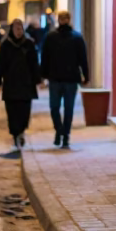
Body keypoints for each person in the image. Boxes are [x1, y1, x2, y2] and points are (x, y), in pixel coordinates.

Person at [39, 10, 89, 148]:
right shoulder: (51, 37)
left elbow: (83, 59)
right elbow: (45, 58)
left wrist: (86, 75)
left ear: (69, 19)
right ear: (58, 20)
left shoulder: (77, 38)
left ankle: (65, 135)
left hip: (70, 79)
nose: (63, 20)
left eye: (65, 18)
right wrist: (42, 76)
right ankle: (60, 131)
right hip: (55, 79)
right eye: (61, 18)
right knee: (54, 108)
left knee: (68, 109)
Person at [0, 18, 41, 147]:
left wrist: (38, 79)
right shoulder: (6, 45)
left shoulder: (29, 44)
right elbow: (0, 64)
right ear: (12, 30)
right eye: (16, 29)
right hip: (11, 84)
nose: (18, 32)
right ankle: (16, 134)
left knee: (25, 111)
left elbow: (34, 64)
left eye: (20, 29)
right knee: (12, 111)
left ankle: (21, 131)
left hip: (26, 84)